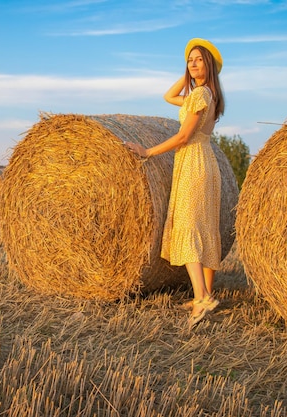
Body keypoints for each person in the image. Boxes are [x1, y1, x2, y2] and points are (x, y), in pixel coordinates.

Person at [125, 38, 225, 329]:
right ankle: (203, 296)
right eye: (189, 60)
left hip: (193, 161)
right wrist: (188, 76)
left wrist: (147, 152)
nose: (193, 64)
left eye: (198, 60)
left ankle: (202, 298)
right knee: (204, 226)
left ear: (209, 65)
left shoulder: (199, 96)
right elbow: (169, 96)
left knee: (188, 226)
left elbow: (183, 137)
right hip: (204, 161)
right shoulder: (207, 95)